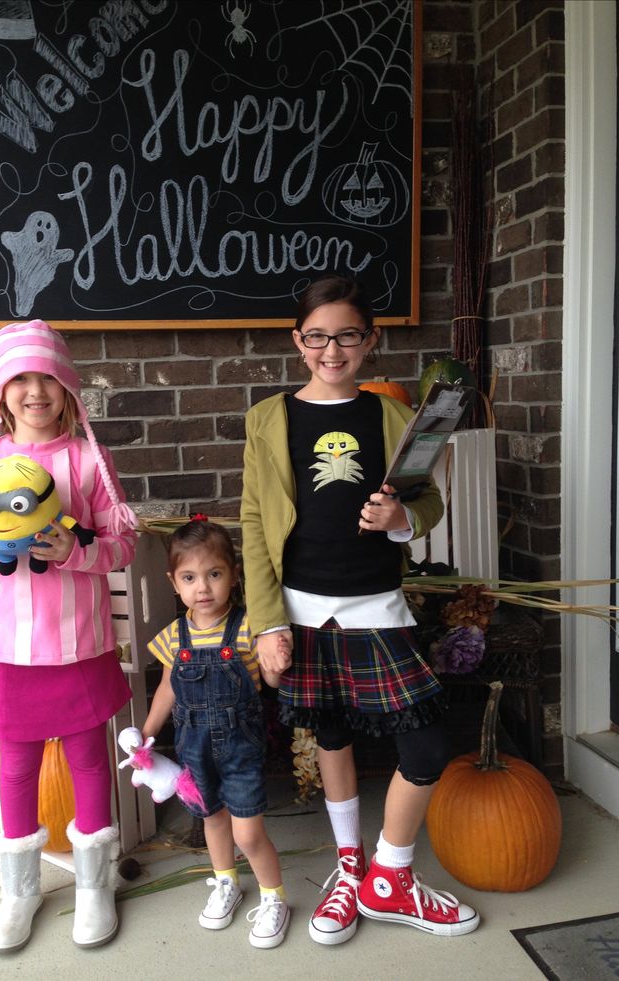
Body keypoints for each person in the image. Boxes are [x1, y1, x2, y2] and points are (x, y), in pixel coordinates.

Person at [240, 274, 480, 946]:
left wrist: (403, 515)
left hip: (376, 605)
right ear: (299, 341)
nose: (332, 348)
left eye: (347, 334)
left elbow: (429, 501)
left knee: (427, 740)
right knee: (332, 733)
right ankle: (350, 864)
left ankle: (391, 873)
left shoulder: (397, 416)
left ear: (370, 340)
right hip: (301, 609)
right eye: (317, 336)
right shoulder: (268, 418)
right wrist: (267, 622)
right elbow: (255, 521)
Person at [0, 319, 137, 953]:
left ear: (68, 387)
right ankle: (20, 890)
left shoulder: (88, 460)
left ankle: (92, 882)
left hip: (77, 641)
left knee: (87, 760)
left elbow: (123, 543)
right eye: (20, 379)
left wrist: (76, 549)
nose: (35, 391)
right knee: (17, 766)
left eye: (47, 378)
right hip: (7, 646)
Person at [141, 517, 292, 949]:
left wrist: (276, 664)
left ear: (234, 575)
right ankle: (226, 881)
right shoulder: (174, 636)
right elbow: (169, 686)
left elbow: (271, 684)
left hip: (241, 747)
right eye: (189, 577)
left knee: (248, 832)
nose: (202, 587)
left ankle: (273, 896)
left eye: (214, 574)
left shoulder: (247, 629)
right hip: (195, 750)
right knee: (211, 819)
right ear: (174, 582)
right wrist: (149, 733)